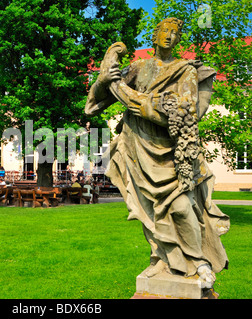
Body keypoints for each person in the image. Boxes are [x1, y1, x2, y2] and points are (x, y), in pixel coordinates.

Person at [85, 18, 229, 287]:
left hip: (172, 152)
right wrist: (103, 80)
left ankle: (199, 261)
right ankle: (160, 258)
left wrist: (150, 109)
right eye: (165, 31)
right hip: (138, 149)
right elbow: (92, 106)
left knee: (182, 207)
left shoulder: (184, 70)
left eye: (175, 33)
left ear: (179, 39)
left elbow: (189, 113)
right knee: (149, 211)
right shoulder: (139, 67)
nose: (170, 36)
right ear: (155, 36)